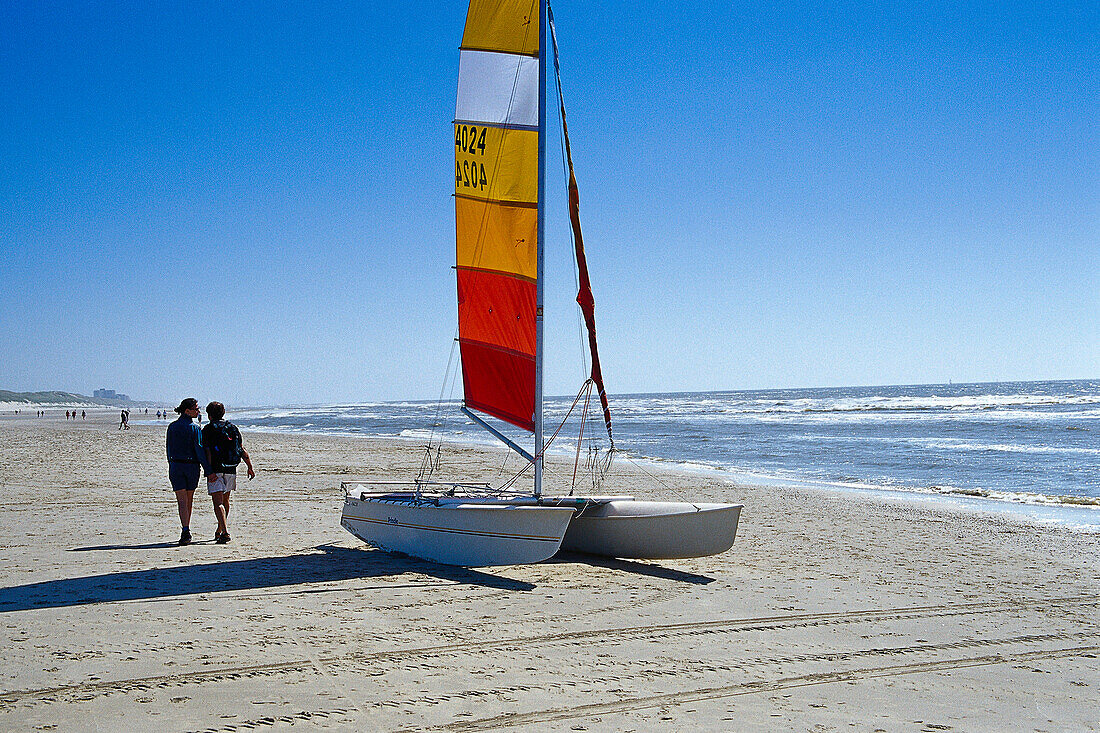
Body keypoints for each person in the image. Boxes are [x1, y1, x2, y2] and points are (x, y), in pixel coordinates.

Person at [201, 401, 255, 543]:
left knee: (218, 502)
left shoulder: (207, 429)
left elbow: (207, 452)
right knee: (225, 500)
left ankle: (224, 532)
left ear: (209, 415)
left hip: (216, 470)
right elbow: (241, 448)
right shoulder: (232, 428)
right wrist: (249, 466)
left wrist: (209, 470)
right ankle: (219, 529)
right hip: (231, 468)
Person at [166, 398, 216, 546]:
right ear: (187, 411)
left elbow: (168, 449)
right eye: (196, 408)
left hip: (176, 465)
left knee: (181, 501)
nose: (198, 411)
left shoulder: (172, 427)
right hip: (191, 466)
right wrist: (208, 470)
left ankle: (185, 529)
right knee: (188, 499)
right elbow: (199, 451)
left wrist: (172, 464)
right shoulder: (194, 428)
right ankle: (186, 530)